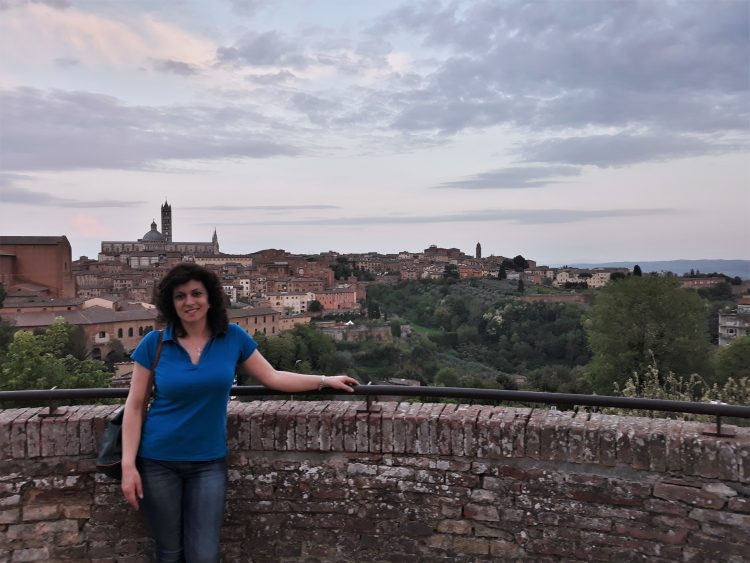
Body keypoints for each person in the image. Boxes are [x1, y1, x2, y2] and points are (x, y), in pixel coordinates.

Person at [120, 262, 358, 562]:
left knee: (204, 555)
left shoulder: (232, 337)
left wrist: (324, 380)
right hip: (157, 462)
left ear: (210, 298)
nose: (189, 302)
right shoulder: (154, 343)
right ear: (171, 302)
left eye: (196, 293)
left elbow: (273, 377)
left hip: (207, 464)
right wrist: (129, 466)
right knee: (168, 553)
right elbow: (135, 405)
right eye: (180, 296)